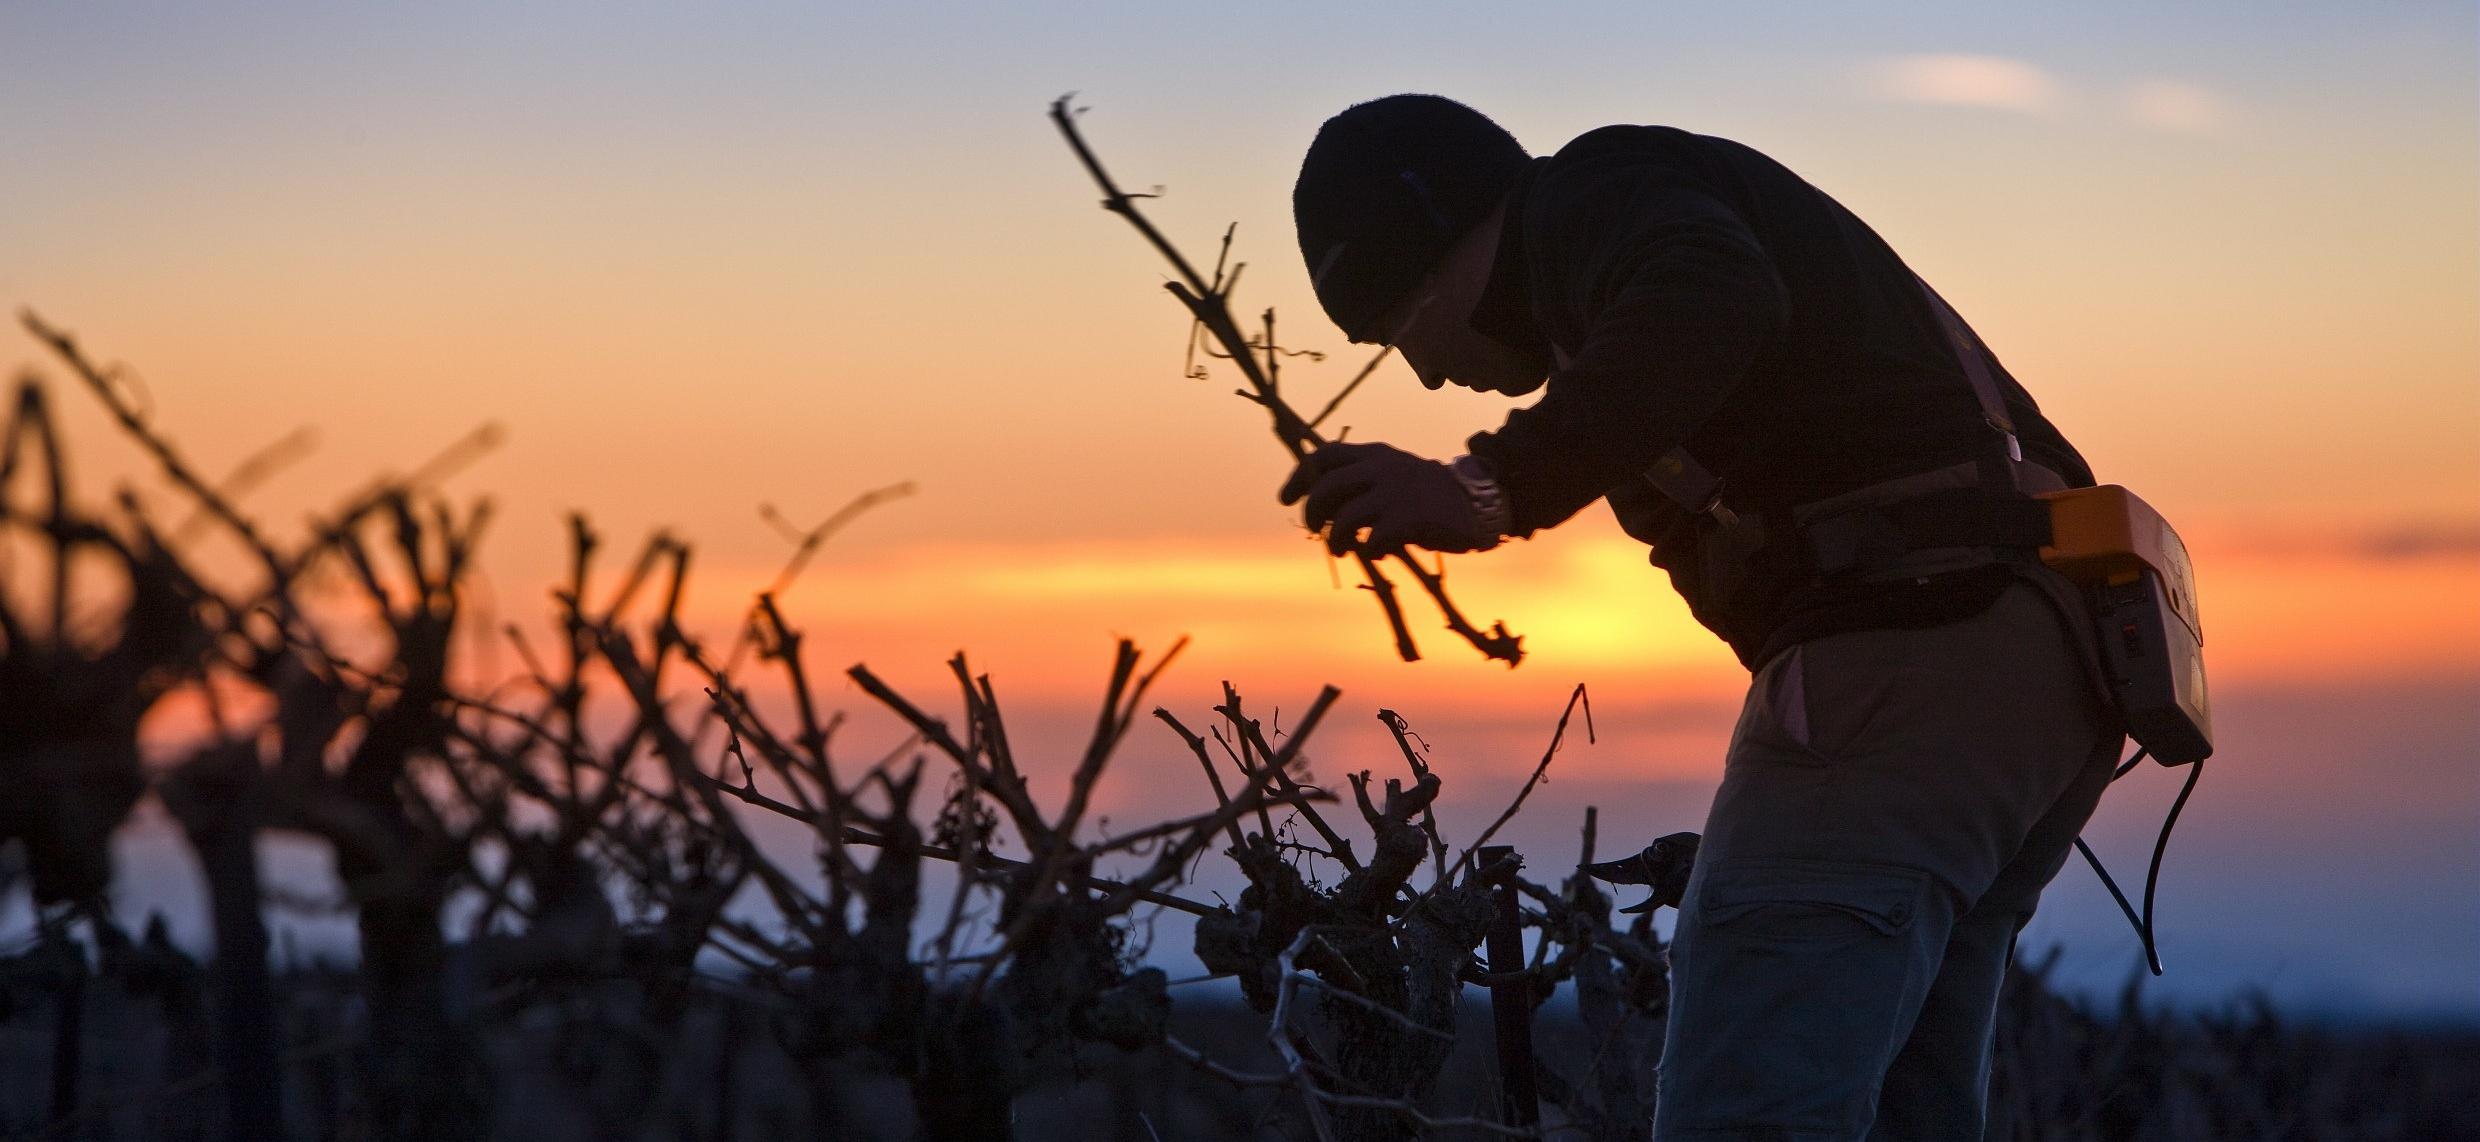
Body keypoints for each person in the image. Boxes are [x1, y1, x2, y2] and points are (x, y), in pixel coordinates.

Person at [1281, 94, 2126, 1140]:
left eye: (1401, 321)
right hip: (2031, 664)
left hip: (1911, 639)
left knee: (1746, 1113)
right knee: (1902, 1112)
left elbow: (1713, 296)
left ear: (1451, 237)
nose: (1420, 369)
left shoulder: (1593, 197)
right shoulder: (1629, 298)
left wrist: (1489, 486)